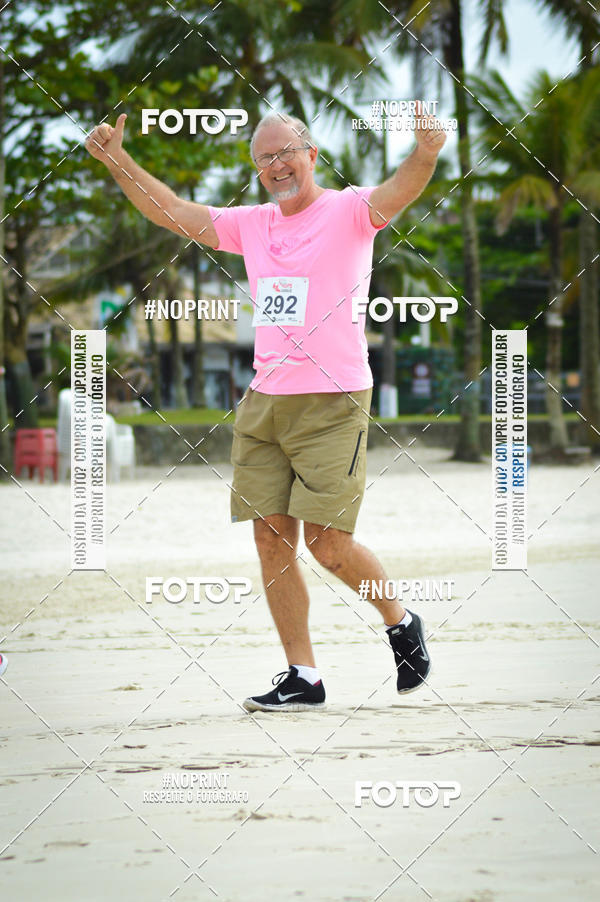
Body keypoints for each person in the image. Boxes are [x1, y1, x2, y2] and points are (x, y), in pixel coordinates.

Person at [85, 103, 446, 712]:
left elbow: (401, 187)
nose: (276, 165)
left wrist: (426, 152)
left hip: (333, 400)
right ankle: (303, 677)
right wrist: (118, 161)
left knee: (329, 547)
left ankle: (400, 619)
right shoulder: (252, 224)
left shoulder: (350, 211)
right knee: (271, 540)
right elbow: (171, 210)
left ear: (312, 155)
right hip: (264, 401)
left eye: (285, 153)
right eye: (264, 158)